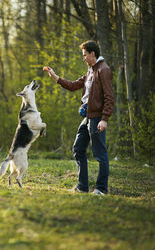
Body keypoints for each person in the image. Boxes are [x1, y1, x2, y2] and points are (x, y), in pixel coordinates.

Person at [44, 40, 114, 196]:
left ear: (92, 53)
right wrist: (55, 76)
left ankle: (101, 189)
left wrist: (105, 119)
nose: (83, 58)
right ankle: (82, 186)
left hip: (97, 118)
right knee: (78, 149)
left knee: (100, 154)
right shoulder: (90, 71)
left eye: (84, 55)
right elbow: (73, 85)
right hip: (88, 117)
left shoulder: (104, 70)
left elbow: (109, 97)